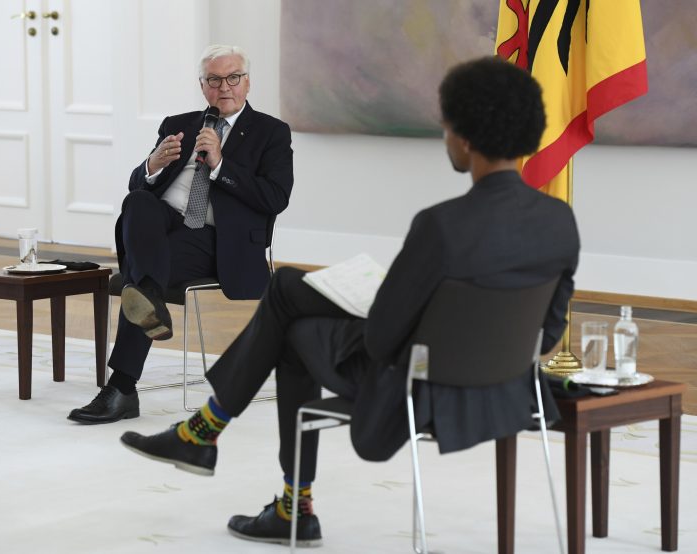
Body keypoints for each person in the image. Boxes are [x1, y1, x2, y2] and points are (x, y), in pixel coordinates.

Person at [118, 56, 580, 546]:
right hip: (502, 382)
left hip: (413, 386)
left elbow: (381, 338)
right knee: (289, 289)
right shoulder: (559, 221)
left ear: (464, 136)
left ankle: (216, 442)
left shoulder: (441, 225)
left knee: (290, 326)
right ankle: (253, 476)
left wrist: (372, 300)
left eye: (446, 126)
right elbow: (548, 333)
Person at [68, 45, 293, 424]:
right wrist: (151, 167)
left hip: (216, 240)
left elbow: (276, 197)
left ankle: (122, 387)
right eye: (214, 80)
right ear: (202, 86)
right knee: (139, 200)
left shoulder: (271, 132)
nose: (224, 87)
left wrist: (221, 163)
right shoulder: (180, 123)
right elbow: (139, 184)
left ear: (247, 82)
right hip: (163, 227)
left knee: (138, 280)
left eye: (233, 77)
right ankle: (149, 302)